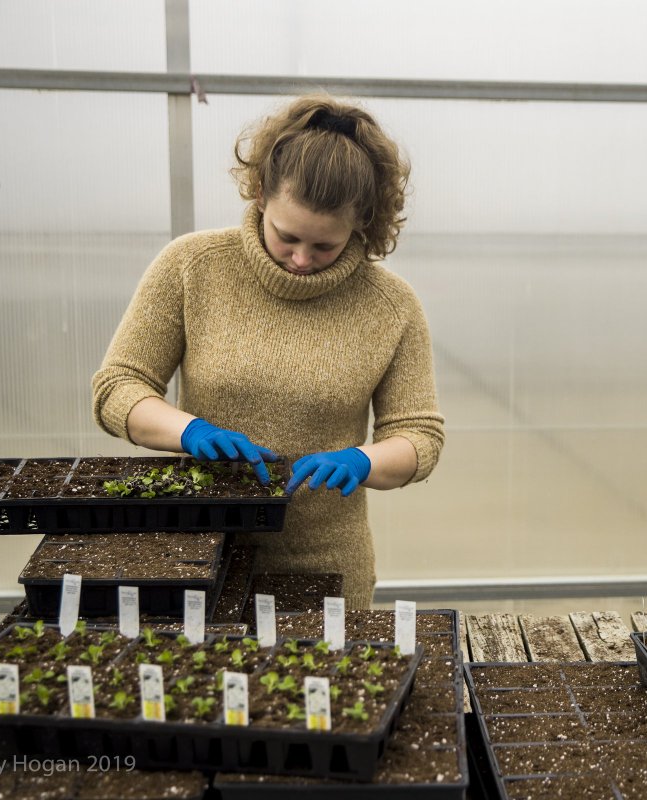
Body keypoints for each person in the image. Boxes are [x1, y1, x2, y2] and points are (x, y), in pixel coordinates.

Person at [91, 95, 444, 610]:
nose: (301, 260)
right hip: (196, 556)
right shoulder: (192, 267)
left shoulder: (391, 306)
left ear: (362, 222)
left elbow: (420, 437)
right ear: (259, 193)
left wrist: (363, 460)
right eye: (288, 236)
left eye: (324, 246)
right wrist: (188, 430)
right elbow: (117, 387)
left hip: (327, 569)